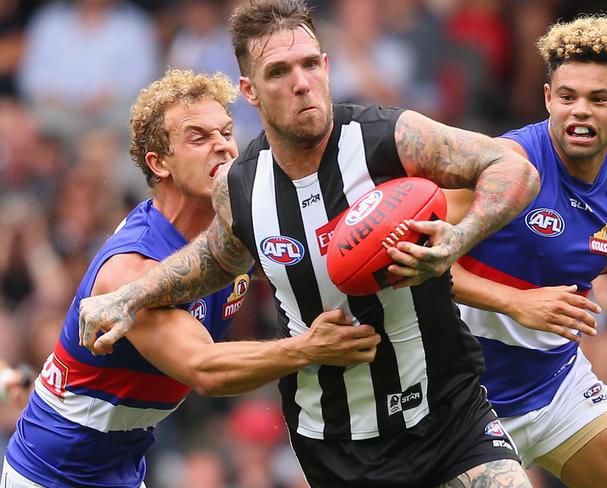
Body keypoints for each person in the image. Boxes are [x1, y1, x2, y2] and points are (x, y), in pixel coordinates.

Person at [78, 1, 541, 486]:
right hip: (337, 445)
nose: (301, 82)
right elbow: (219, 256)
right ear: (250, 92)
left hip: (450, 414)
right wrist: (131, 296)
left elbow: (513, 169)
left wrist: (458, 239)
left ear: (327, 66)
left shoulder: (389, 137)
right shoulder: (239, 186)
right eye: (278, 71)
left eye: (310, 64)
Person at [0, 68, 381, 487]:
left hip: (121, 469)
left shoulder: (237, 227)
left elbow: (311, 256)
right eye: (199, 138)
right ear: (158, 163)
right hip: (53, 475)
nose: (221, 147)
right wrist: (311, 348)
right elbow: (205, 370)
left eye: (226, 133)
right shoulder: (131, 269)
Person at [393, 14, 607, 488]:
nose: (581, 112)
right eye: (568, 97)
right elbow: (417, 255)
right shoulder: (506, 166)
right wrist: (516, 303)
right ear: (548, 97)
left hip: (559, 389)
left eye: (599, 99)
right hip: (464, 406)